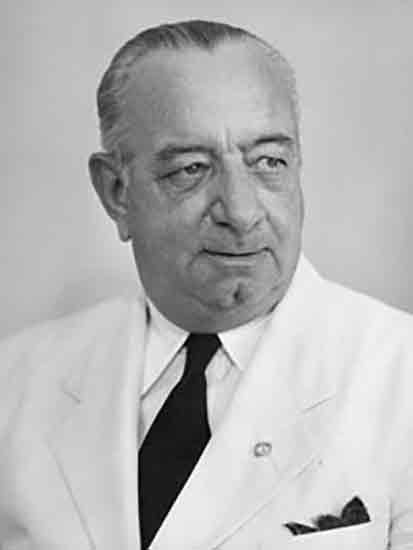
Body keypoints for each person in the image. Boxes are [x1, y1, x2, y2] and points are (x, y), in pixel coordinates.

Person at [0, 19, 412, 550]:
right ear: (117, 192)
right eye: (191, 169)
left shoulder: (399, 377)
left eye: (268, 162)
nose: (240, 213)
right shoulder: (17, 383)